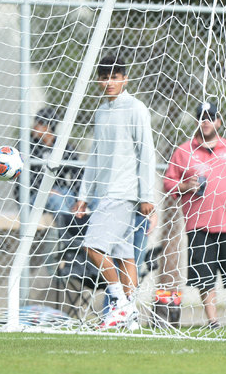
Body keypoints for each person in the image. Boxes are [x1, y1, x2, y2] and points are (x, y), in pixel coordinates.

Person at [71, 54, 156, 330]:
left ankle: (118, 304)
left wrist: (147, 196)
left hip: (124, 193)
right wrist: (83, 196)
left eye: (114, 77)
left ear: (124, 78)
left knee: (92, 247)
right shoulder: (101, 111)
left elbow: (146, 153)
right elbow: (94, 156)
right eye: (104, 77)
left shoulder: (136, 108)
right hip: (103, 194)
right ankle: (130, 316)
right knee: (124, 256)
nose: (109, 82)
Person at [163, 101, 226, 328]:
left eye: (211, 117)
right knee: (205, 276)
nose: (206, 121)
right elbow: (169, 182)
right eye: (202, 117)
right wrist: (185, 186)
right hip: (198, 224)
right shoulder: (184, 151)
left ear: (219, 121)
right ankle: (213, 320)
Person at [14, 107, 82, 229]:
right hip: (33, 196)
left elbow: (78, 173)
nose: (35, 126)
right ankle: (68, 237)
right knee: (56, 200)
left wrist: (79, 198)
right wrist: (45, 189)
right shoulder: (27, 146)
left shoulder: (63, 146)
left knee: (94, 198)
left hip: (61, 192)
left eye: (39, 123)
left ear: (49, 127)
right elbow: (24, 179)